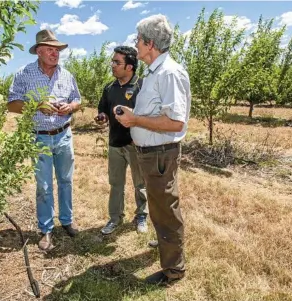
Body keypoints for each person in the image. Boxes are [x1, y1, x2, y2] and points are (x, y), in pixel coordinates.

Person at [115, 14, 191, 285]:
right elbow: (157, 113)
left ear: (149, 43)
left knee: (166, 209)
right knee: (159, 206)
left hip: (160, 153)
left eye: (138, 40)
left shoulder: (169, 73)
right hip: (152, 153)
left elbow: (175, 122)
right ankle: (166, 247)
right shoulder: (155, 72)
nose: (135, 45)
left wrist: (134, 120)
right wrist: (135, 116)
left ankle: (173, 271)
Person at [8, 29, 80, 251]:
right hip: (39, 137)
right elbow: (11, 104)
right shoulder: (24, 74)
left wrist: (70, 107)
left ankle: (67, 221)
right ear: (38, 51)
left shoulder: (67, 75)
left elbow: (77, 99)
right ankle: (46, 229)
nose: (55, 53)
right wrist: (37, 105)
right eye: (50, 49)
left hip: (63, 134)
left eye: (57, 49)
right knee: (45, 185)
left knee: (66, 180)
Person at [94, 46, 148, 235]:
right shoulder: (109, 88)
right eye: (113, 61)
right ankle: (115, 218)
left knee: (140, 183)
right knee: (116, 183)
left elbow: (149, 115)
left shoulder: (142, 87)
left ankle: (142, 215)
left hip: (136, 144)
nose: (113, 65)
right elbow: (103, 109)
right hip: (115, 143)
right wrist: (102, 116)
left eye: (117, 62)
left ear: (130, 67)